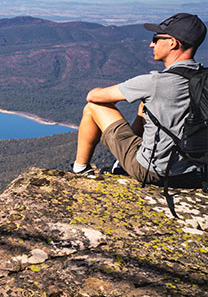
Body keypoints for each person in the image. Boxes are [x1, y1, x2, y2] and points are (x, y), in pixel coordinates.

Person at [72, 12, 206, 185]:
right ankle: (121, 165)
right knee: (147, 106)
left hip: (152, 171)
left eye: (156, 38)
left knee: (93, 107)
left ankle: (80, 169)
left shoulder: (155, 82)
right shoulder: (203, 79)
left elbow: (93, 96)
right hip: (191, 170)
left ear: (172, 43)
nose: (151, 44)